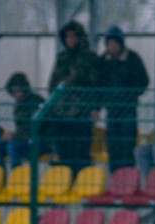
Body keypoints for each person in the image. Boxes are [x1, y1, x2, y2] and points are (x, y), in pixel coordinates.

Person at [46, 20, 100, 174]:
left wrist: (94, 107)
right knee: (63, 151)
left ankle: (81, 183)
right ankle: (67, 183)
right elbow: (52, 84)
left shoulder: (89, 58)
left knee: (81, 151)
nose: (71, 39)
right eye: (68, 36)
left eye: (74, 36)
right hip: (61, 114)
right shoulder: (62, 58)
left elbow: (96, 85)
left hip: (81, 112)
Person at [97, 26, 149, 172]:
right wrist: (100, 104)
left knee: (127, 147)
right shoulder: (103, 61)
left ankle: (128, 180)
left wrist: (129, 95)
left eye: (115, 43)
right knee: (113, 147)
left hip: (128, 111)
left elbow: (143, 81)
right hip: (112, 111)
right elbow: (98, 84)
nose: (112, 47)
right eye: (109, 44)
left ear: (121, 44)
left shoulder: (132, 59)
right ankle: (115, 180)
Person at [0, 72, 44, 170]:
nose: (16, 94)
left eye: (18, 90)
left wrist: (13, 136)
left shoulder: (36, 101)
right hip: (23, 139)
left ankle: (16, 177)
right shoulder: (18, 105)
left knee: (12, 147)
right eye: (13, 92)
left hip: (38, 142)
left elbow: (33, 127)